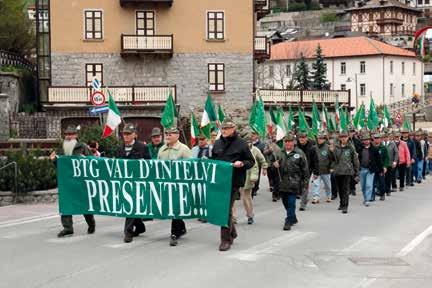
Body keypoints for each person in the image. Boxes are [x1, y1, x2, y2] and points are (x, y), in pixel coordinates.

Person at [211, 119, 255, 251]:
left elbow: (250, 161)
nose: (223, 131)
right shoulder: (217, 143)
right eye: (222, 128)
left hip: (233, 181)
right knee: (224, 208)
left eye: (226, 128)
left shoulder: (241, 144)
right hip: (220, 180)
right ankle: (233, 232)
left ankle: (225, 240)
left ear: (233, 129)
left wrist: (241, 163)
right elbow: (214, 160)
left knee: (225, 209)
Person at [49, 125, 96, 237]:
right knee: (66, 204)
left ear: (76, 135)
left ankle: (91, 223)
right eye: (66, 134)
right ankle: (68, 228)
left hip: (81, 182)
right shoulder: (62, 148)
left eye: (71, 134)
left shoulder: (83, 147)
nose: (68, 137)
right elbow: (59, 164)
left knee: (84, 204)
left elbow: (92, 162)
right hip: (67, 181)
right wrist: (53, 160)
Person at [115, 123, 151, 243]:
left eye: (128, 134)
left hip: (138, 183)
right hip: (124, 183)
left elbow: (149, 164)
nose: (126, 136)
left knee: (130, 207)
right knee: (129, 206)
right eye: (124, 134)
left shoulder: (142, 147)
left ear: (135, 135)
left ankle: (128, 232)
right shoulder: (119, 149)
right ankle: (140, 226)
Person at [158, 127, 192, 247]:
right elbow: (158, 167)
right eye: (166, 133)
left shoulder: (184, 149)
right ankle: (181, 228)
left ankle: (174, 233)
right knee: (171, 208)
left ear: (177, 135)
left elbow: (190, 167)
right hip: (166, 184)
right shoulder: (162, 149)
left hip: (179, 185)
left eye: (171, 133)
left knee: (175, 207)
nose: (168, 135)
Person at [275, 133, 309, 230]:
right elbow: (273, 166)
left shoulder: (299, 153)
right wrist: (275, 165)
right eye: (286, 142)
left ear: (293, 142)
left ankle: (288, 221)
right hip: (282, 182)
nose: (288, 144)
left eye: (290, 142)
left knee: (291, 202)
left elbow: (305, 169)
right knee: (285, 202)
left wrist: (305, 183)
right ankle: (293, 217)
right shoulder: (280, 153)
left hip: (295, 182)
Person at [240, 133, 268, 224]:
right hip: (241, 175)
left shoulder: (255, 150)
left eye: (249, 142)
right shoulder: (241, 150)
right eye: (246, 142)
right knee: (243, 197)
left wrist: (264, 168)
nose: (248, 144)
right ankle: (248, 214)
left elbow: (262, 159)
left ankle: (250, 215)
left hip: (251, 175)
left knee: (247, 196)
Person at [332, 130, 360, 214]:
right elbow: (333, 159)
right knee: (340, 189)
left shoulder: (350, 147)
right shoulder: (336, 147)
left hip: (347, 171)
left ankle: (345, 206)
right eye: (342, 137)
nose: (343, 138)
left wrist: (356, 171)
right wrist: (331, 152)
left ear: (348, 137)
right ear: (339, 138)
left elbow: (355, 160)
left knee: (345, 189)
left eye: (345, 137)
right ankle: (341, 203)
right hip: (338, 171)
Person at [356, 131, 383, 207]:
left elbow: (379, 160)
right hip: (362, 169)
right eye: (365, 139)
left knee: (369, 185)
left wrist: (381, 170)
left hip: (370, 170)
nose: (366, 141)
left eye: (368, 139)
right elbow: (356, 159)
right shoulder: (360, 148)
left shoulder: (374, 149)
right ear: (363, 141)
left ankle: (368, 199)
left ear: (370, 140)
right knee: (363, 185)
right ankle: (365, 198)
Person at [296, 130, 319, 211]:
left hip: (308, 170)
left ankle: (303, 204)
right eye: (300, 137)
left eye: (303, 137)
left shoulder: (312, 147)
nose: (302, 139)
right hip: (297, 169)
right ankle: (304, 198)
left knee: (305, 186)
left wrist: (316, 172)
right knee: (298, 186)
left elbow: (316, 160)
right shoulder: (296, 147)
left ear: (306, 138)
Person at [311, 131, 334, 203]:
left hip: (326, 170)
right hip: (317, 170)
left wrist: (331, 167)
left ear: (324, 139)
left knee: (327, 185)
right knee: (316, 184)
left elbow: (332, 159)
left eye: (321, 138)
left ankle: (328, 196)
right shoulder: (314, 148)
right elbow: (311, 159)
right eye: (318, 138)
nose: (319, 140)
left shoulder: (328, 147)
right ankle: (316, 197)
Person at [263, 133, 283, 202]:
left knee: (277, 180)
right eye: (273, 135)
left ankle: (275, 194)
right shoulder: (268, 144)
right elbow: (264, 152)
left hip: (279, 164)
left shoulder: (282, 143)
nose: (274, 137)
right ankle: (275, 191)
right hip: (270, 164)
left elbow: (284, 153)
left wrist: (279, 161)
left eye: (275, 135)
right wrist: (269, 150)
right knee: (272, 179)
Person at [372, 133, 389, 201]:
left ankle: (382, 194)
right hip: (373, 167)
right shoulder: (372, 147)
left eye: (378, 138)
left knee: (381, 182)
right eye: (375, 138)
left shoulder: (383, 148)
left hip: (381, 168)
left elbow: (386, 158)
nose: (377, 140)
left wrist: (385, 166)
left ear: (380, 139)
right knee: (372, 182)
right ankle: (372, 195)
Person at [250, 131, 266, 197]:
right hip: (248, 163)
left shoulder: (261, 144)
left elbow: (263, 155)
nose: (252, 135)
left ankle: (254, 189)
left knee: (256, 177)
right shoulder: (247, 143)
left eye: (254, 134)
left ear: (257, 135)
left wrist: (264, 167)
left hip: (257, 164)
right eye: (252, 133)